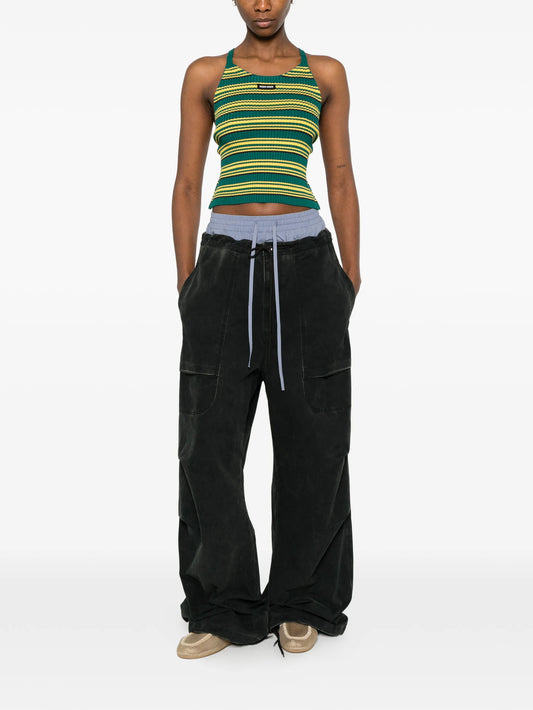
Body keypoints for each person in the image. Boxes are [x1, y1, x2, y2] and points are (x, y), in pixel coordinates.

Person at [171, 0, 361, 660]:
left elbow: (340, 174)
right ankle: (223, 605)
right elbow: (187, 181)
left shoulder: (324, 73)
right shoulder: (206, 74)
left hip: (307, 263)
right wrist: (187, 281)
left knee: (314, 440)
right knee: (207, 444)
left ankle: (301, 600)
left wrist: (349, 275)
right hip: (224, 264)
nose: (262, 3)